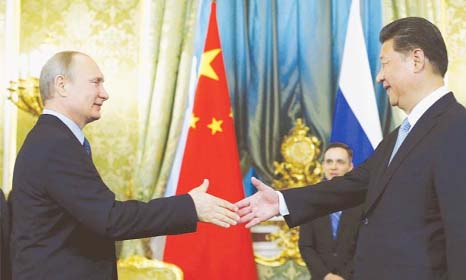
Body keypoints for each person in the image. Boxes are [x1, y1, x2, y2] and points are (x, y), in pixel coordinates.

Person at [237, 17, 466, 280]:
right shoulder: (399, 137)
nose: (380, 76)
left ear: (416, 60)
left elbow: (462, 234)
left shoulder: (457, 128)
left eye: (384, 64)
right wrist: (282, 201)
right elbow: (352, 185)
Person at [9, 51, 239, 280]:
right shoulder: (55, 143)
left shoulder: (54, 138)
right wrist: (189, 206)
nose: (105, 94)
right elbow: (110, 219)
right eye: (95, 82)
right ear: (62, 85)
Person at [299, 143, 362, 280]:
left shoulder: (362, 204)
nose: (333, 167)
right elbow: (306, 246)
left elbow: (365, 246)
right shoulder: (311, 202)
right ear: (323, 166)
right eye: (329, 161)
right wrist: (326, 276)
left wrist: (344, 277)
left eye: (340, 162)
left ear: (350, 167)